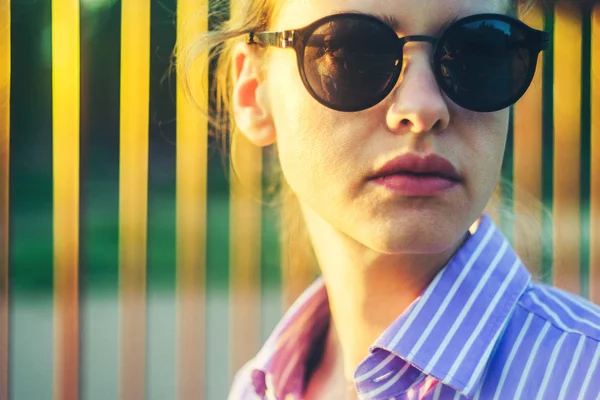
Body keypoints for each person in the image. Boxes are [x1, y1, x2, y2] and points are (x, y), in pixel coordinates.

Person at [181, 0, 600, 398]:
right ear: (254, 92)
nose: (423, 108)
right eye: (351, 53)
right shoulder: (259, 388)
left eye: (479, 53)